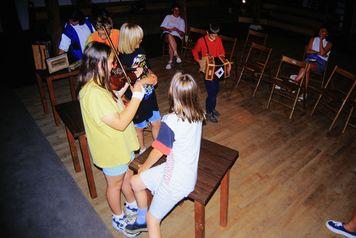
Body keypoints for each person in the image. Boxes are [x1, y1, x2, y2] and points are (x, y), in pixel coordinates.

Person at [78, 41, 156, 237]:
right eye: (112, 62)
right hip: (111, 149)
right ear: (99, 63)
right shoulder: (92, 93)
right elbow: (120, 122)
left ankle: (130, 205)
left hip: (122, 145)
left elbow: (112, 97)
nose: (115, 66)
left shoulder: (99, 84)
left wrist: (125, 89)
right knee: (114, 185)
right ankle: (118, 217)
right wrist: (137, 93)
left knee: (127, 177)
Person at [124, 72, 205, 237]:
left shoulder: (171, 121)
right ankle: (141, 221)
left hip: (176, 180)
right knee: (135, 182)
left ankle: (147, 220)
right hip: (181, 170)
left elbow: (159, 151)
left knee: (153, 219)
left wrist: (144, 167)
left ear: (172, 94)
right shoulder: (197, 114)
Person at [118, 23, 160, 155]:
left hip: (149, 94)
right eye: (138, 39)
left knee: (156, 122)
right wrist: (145, 80)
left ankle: (159, 148)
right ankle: (142, 149)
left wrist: (152, 74)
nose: (141, 41)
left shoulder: (140, 50)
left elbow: (145, 67)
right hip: (136, 99)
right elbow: (127, 84)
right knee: (139, 127)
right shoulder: (121, 60)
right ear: (129, 40)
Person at [191, 23, 231, 123]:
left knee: (216, 90)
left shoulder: (218, 39)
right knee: (211, 93)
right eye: (212, 35)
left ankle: (212, 108)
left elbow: (222, 52)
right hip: (207, 69)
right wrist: (199, 60)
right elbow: (195, 51)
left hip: (217, 68)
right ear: (207, 32)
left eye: (216, 35)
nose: (214, 37)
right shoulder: (201, 41)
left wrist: (225, 62)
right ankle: (208, 113)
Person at [160, 3, 185, 70]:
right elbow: (162, 27)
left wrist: (177, 30)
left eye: (178, 10)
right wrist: (169, 29)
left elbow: (182, 34)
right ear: (172, 10)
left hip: (177, 37)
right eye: (175, 10)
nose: (176, 12)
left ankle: (170, 61)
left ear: (179, 11)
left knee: (171, 43)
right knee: (169, 35)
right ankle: (176, 55)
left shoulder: (181, 20)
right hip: (166, 34)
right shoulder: (168, 17)